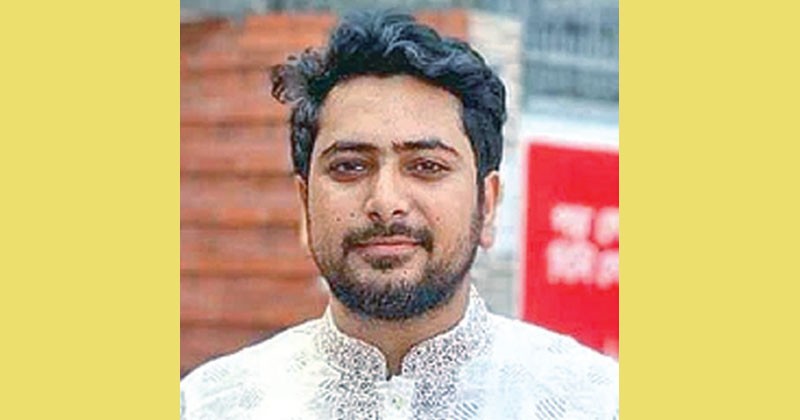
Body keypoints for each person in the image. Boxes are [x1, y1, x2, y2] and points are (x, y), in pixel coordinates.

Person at [180, 11, 618, 419]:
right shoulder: (208, 405)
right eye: (349, 166)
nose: (385, 200)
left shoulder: (594, 402)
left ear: (487, 204)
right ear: (304, 204)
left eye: (426, 166)